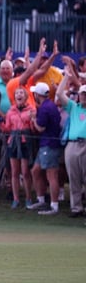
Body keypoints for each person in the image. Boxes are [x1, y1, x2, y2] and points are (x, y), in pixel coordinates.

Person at [27, 82, 63, 215]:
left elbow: (40, 128)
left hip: (50, 144)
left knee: (51, 174)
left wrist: (33, 119)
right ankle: (41, 200)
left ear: (37, 94)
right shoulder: (49, 105)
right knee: (36, 170)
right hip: (46, 144)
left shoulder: (45, 108)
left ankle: (54, 206)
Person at [57, 68, 86, 217]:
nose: (84, 97)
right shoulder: (74, 107)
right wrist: (66, 78)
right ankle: (76, 208)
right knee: (74, 178)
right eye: (82, 94)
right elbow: (59, 95)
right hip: (73, 145)